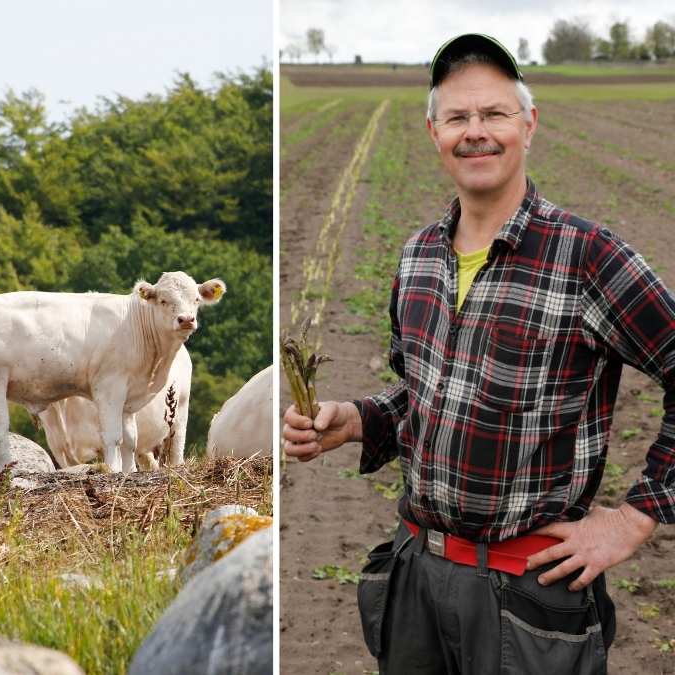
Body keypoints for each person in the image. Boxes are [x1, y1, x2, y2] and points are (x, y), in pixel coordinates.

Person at [282, 33, 673, 673]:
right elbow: (426, 393)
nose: (476, 132)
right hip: (416, 580)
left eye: (493, 113)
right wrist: (358, 420)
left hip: (528, 596)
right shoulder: (418, 257)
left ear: (528, 123)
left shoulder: (588, 258)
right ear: (434, 130)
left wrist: (633, 519)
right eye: (458, 117)